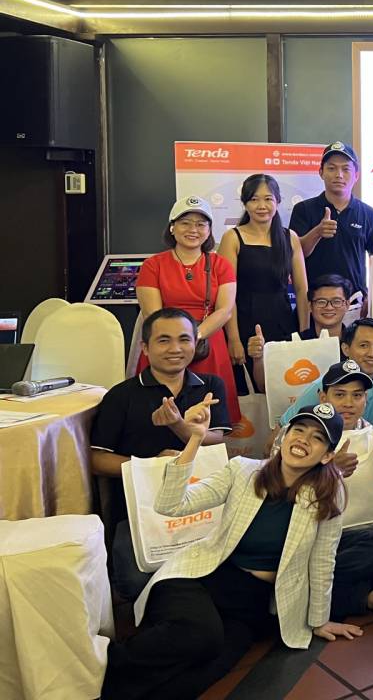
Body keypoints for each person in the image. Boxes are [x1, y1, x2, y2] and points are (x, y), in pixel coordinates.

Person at [101, 403, 361, 700]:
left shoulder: (327, 496)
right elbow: (170, 505)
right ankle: (101, 663)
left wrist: (319, 620)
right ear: (285, 435)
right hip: (202, 577)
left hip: (251, 604)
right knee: (201, 635)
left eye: (317, 437)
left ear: (327, 455)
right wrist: (195, 439)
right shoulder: (243, 471)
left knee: (200, 675)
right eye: (298, 430)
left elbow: (323, 561)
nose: (303, 440)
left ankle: (106, 687)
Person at [91, 308, 232, 600]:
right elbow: (98, 460)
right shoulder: (121, 395)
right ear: (145, 347)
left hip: (201, 508)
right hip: (141, 513)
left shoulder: (210, 386)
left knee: (224, 577)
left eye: (184, 339)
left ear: (196, 343)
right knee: (137, 582)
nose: (175, 348)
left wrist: (179, 425)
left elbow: (216, 444)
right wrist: (153, 466)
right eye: (164, 340)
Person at [306, 361, 373, 621]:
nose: (348, 403)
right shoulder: (303, 436)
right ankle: (369, 597)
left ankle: (325, 588)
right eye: (340, 395)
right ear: (323, 397)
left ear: (366, 399)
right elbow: (286, 492)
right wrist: (331, 471)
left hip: (371, 534)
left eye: (357, 395)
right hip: (325, 536)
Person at [137, 196, 239, 422]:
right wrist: (178, 341)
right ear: (172, 227)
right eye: (185, 223)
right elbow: (153, 315)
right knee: (157, 416)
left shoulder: (221, 265)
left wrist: (193, 337)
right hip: (165, 345)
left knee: (210, 419)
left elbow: (225, 310)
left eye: (201, 224)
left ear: (209, 230)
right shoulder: (152, 265)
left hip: (208, 344)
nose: (193, 230)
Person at [288, 141, 373, 310]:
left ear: (356, 175)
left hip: (354, 303)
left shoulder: (368, 214)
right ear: (321, 172)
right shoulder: (303, 210)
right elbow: (294, 254)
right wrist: (317, 232)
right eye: (332, 168)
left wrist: (372, 296)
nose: (339, 175)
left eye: (346, 169)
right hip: (315, 303)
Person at [217, 174, 308, 377]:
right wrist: (233, 339)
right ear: (245, 203)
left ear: (278, 201)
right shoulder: (232, 237)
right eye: (254, 199)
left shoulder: (290, 237)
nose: (261, 206)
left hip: (283, 323)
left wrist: (304, 334)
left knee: (286, 383)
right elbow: (227, 295)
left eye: (268, 199)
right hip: (244, 324)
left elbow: (302, 290)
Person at [282, 318, 373, 429]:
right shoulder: (325, 385)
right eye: (363, 345)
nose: (372, 353)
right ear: (346, 349)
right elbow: (283, 427)